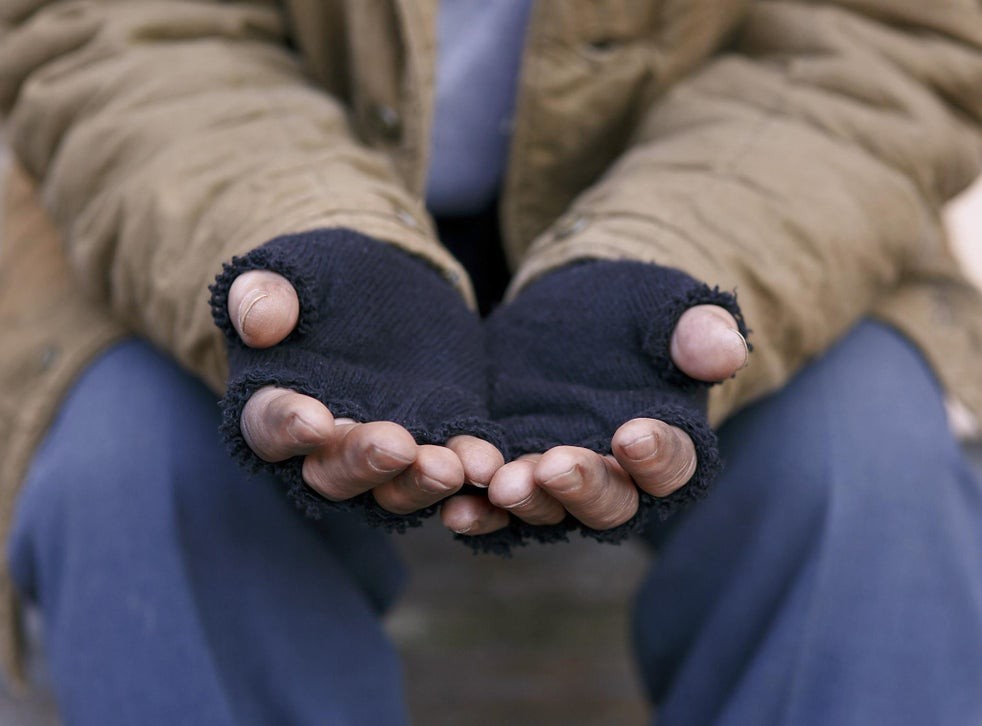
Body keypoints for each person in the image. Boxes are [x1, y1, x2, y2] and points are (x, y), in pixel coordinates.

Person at [0, 1, 980, 723]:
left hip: (764, 201)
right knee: (132, 470)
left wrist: (666, 253)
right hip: (201, 190)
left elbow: (885, 35)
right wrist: (302, 238)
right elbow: (107, 26)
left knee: (866, 470)